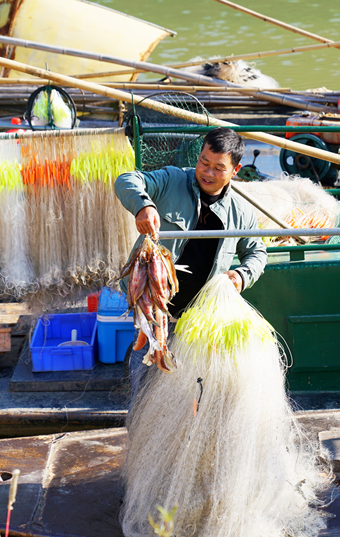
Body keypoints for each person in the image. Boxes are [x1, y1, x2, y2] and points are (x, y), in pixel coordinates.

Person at [114, 127, 267, 402]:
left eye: (219, 168)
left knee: (192, 392)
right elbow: (126, 180)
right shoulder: (172, 180)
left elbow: (257, 253)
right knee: (145, 384)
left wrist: (242, 276)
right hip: (154, 309)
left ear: (235, 170)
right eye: (204, 162)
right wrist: (142, 206)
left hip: (199, 319)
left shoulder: (241, 213)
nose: (207, 173)